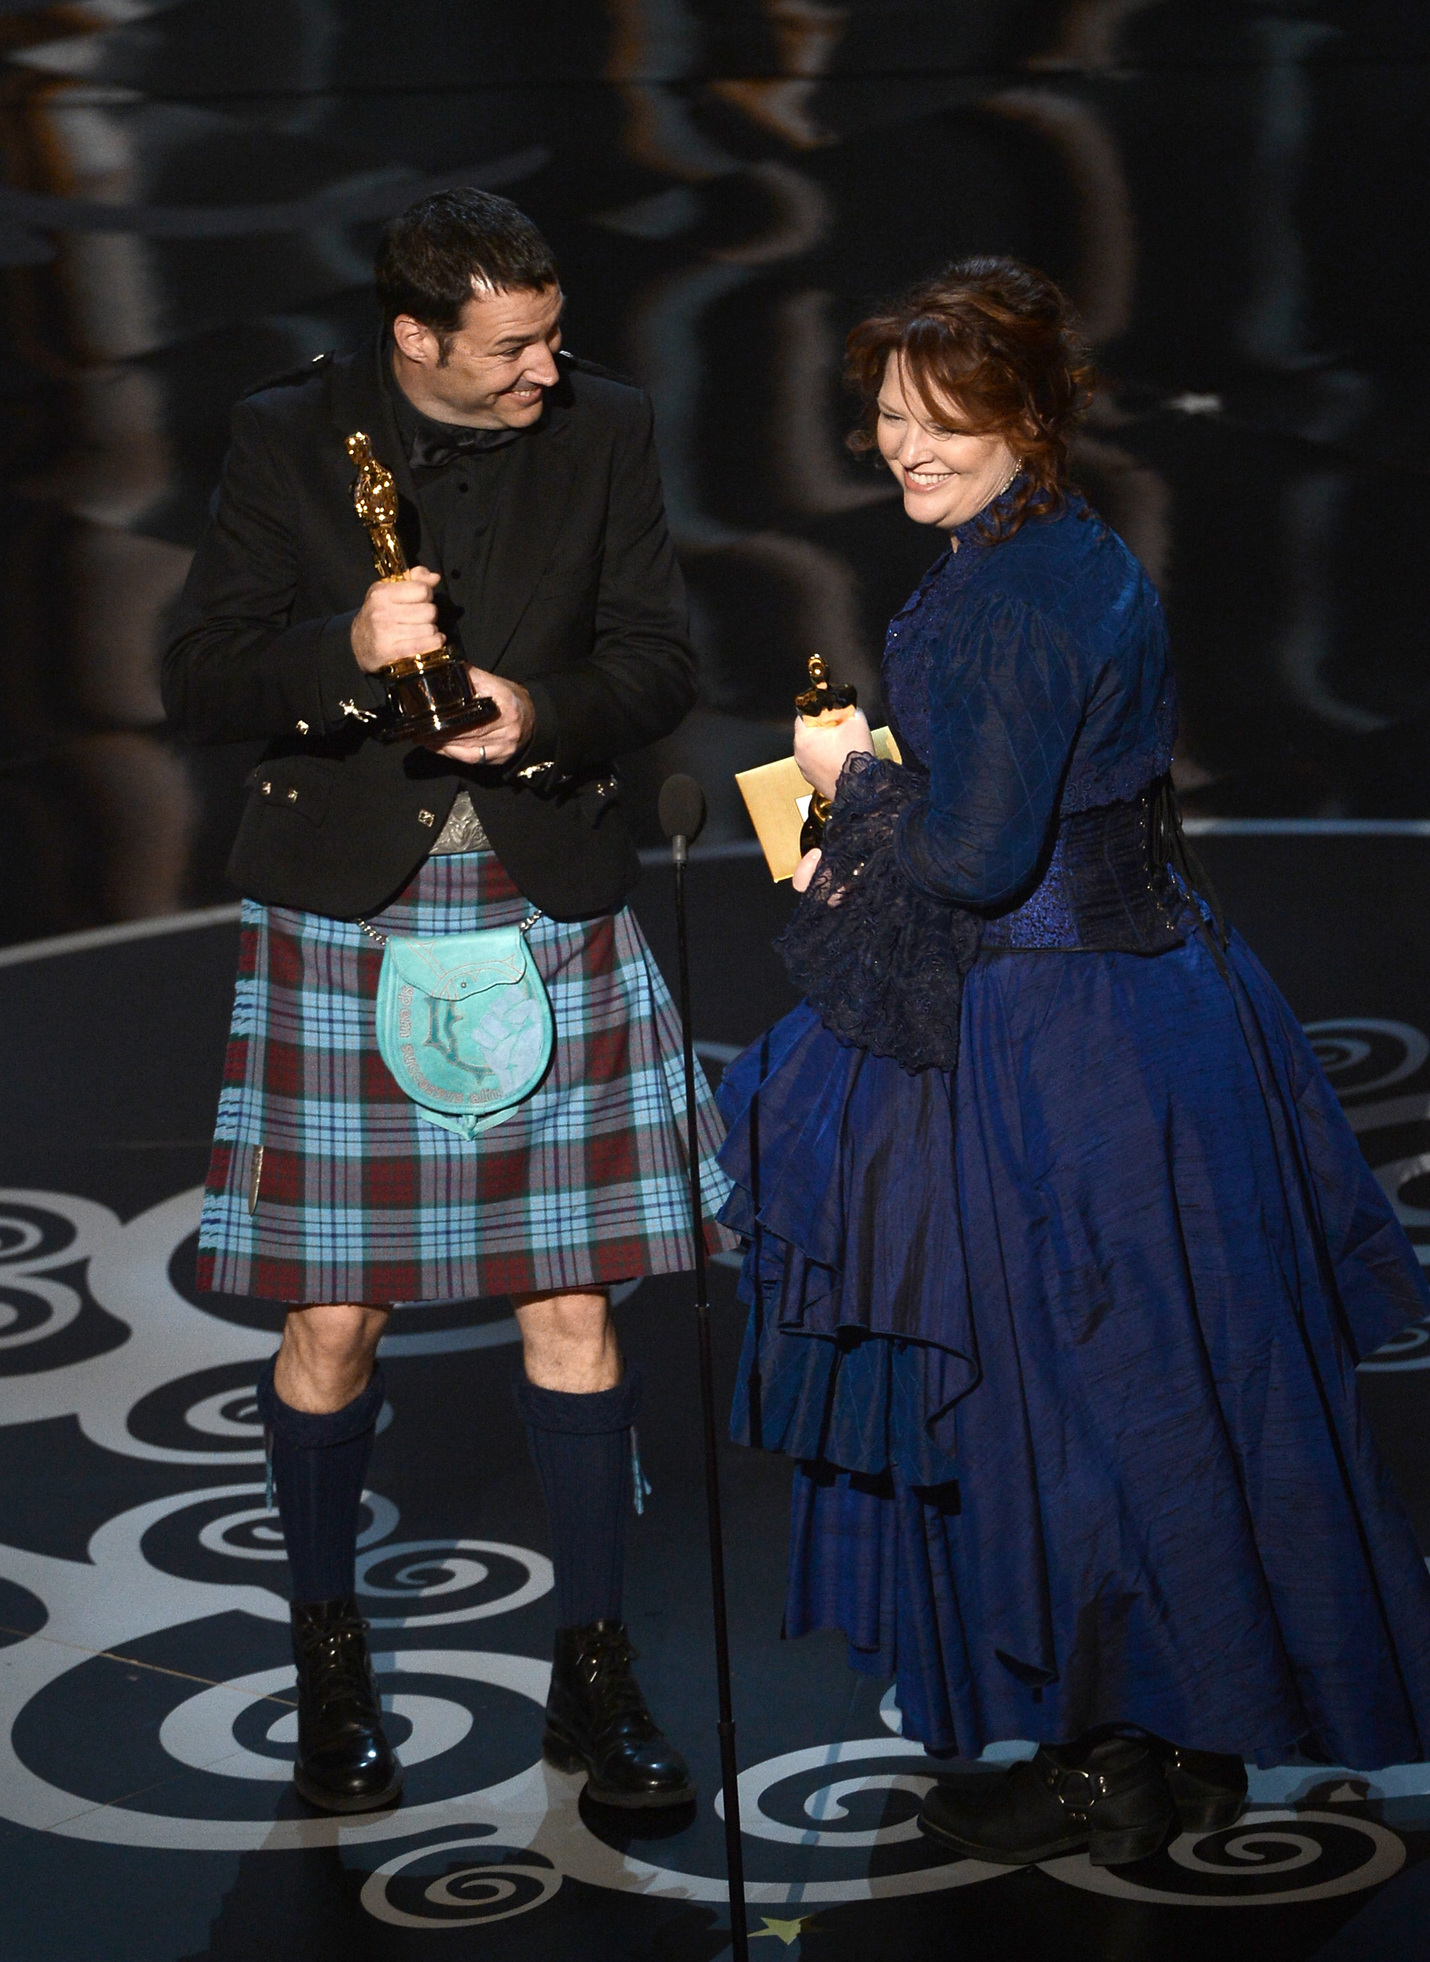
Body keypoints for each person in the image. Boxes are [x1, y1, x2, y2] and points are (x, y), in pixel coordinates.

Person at [716, 256, 1430, 1867]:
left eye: (940, 422)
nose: (904, 448)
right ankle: (1183, 1723)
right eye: (889, 420)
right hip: (1160, 997)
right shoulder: (1067, 556)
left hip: (1052, 1039)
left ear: (1029, 421)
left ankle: (1118, 1728)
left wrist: (842, 780)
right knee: (1177, 1378)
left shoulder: (1011, 598)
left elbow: (970, 861)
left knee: (1072, 1391)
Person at [163, 189, 731, 1818]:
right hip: (347, 915)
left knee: (575, 1302)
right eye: (511, 348)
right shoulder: (287, 436)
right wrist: (341, 653)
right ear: (415, 337)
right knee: (331, 1317)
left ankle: (595, 1678)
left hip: (543, 889)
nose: (547, 369)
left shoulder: (605, 427)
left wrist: (535, 709)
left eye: (553, 335)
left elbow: (656, 663)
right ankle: (327, 1661)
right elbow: (196, 678)